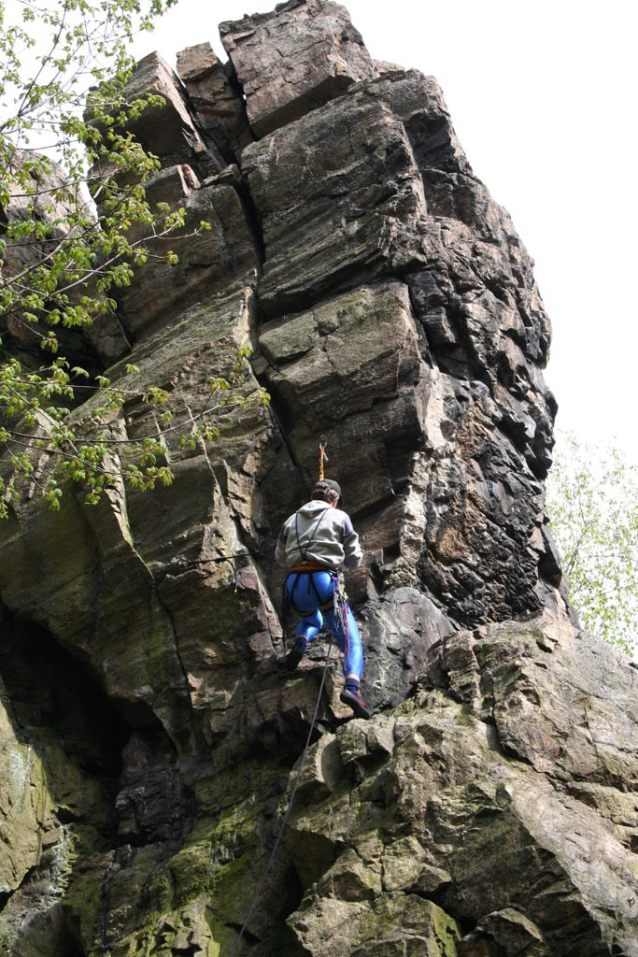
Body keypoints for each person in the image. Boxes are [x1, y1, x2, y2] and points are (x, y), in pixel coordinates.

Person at [275, 478, 370, 720]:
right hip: (324, 580)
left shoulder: (291, 520)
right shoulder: (340, 517)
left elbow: (279, 557)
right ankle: (351, 689)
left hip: (296, 583)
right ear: (335, 499)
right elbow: (354, 559)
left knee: (310, 620)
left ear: (312, 498)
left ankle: (301, 642)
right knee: (350, 640)